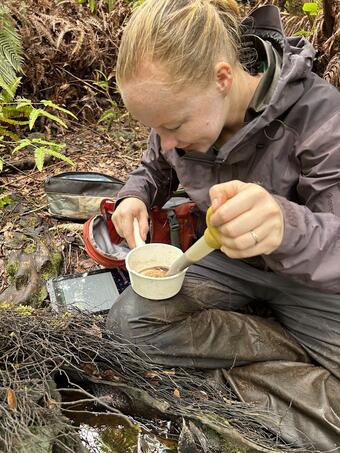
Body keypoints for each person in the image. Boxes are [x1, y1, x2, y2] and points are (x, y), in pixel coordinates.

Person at [106, 0, 340, 450]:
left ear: (223, 78)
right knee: (129, 326)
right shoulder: (177, 116)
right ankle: (286, 347)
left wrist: (287, 227)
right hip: (228, 265)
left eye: (173, 124)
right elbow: (155, 163)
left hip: (313, 283)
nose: (167, 139)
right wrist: (133, 196)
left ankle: (260, 350)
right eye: (156, 127)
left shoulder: (321, 115)